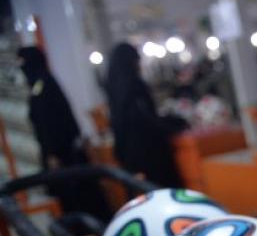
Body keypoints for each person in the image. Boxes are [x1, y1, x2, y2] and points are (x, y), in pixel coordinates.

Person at [17, 47, 111, 222]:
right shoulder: (40, 84)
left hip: (63, 155)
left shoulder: (45, 84)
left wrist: (53, 152)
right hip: (62, 154)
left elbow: (52, 122)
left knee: (78, 195)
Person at [105, 42, 185, 187]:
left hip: (131, 157)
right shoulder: (134, 86)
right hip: (151, 154)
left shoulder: (114, 89)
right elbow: (147, 120)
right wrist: (175, 125)